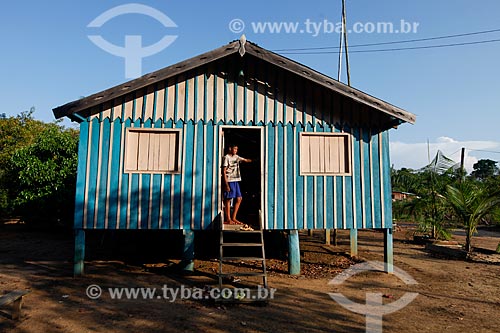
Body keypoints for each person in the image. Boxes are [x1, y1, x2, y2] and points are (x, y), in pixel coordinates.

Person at [221, 144, 252, 226]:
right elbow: (223, 171)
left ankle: (234, 217)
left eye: (236, 149)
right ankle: (228, 219)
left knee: (239, 199)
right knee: (228, 199)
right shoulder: (226, 157)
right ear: (230, 148)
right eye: (234, 149)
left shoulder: (236, 157)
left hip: (236, 180)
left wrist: (253, 160)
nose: (235, 150)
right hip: (229, 180)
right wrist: (226, 184)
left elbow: (245, 160)